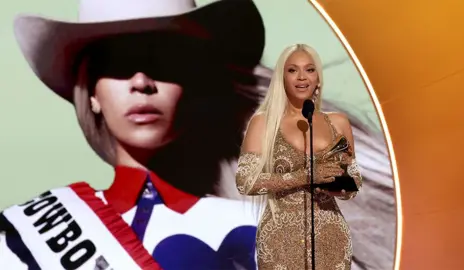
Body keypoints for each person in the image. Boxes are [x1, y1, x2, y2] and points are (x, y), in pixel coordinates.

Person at [0, 0, 265, 269]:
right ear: (92, 93)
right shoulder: (25, 236)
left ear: (192, 86)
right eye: (119, 64)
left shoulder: (259, 228)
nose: (141, 83)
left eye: (163, 62)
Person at [236, 44, 363, 269]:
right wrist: (306, 176)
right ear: (281, 78)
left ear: (319, 79)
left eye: (310, 70)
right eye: (293, 70)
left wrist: (337, 184)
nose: (302, 77)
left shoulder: (338, 122)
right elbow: (246, 181)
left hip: (330, 240)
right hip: (280, 242)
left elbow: (352, 183)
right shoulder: (263, 123)